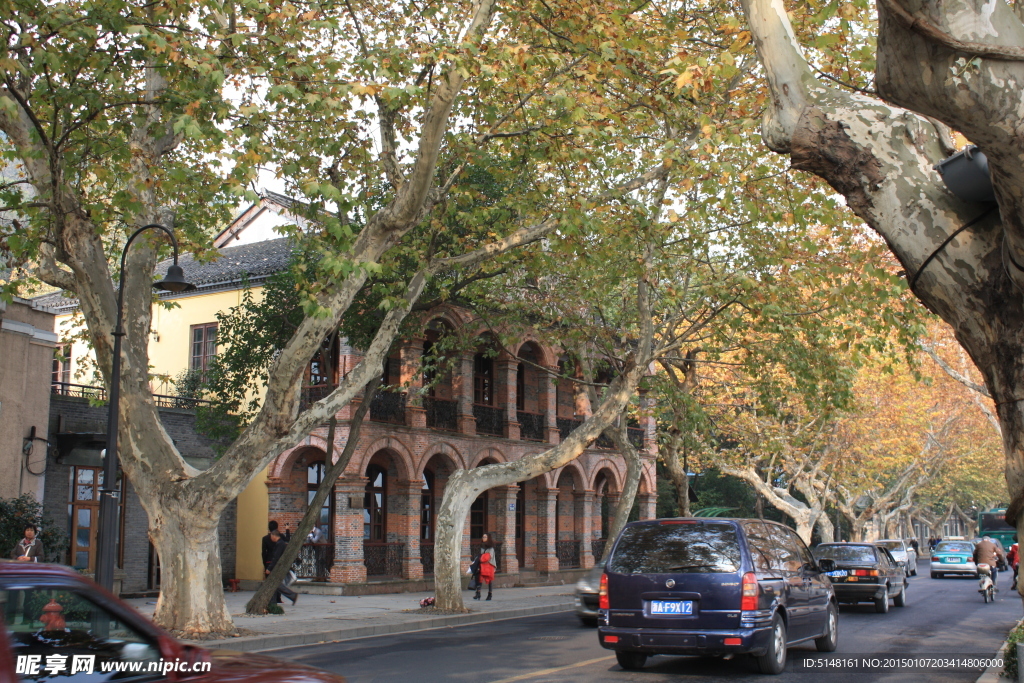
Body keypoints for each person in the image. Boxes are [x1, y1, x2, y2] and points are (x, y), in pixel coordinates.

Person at [266, 530, 298, 607]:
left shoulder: (280, 544)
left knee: (276, 584)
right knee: (273, 584)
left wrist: (269, 568)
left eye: (271, 536)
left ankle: (292, 595)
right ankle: (272, 602)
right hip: (279, 567)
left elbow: (276, 558)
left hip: (278, 567)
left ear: (274, 536)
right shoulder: (281, 543)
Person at [475, 532, 497, 601]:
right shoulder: (482, 546)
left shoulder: (491, 548)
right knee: (479, 578)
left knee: (489, 580)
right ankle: (478, 593)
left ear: (488, 538)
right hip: (482, 565)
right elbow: (480, 555)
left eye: (485, 537)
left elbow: (489, 557)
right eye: (483, 537)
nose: (483, 538)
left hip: (489, 565)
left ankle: (490, 594)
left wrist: (482, 557)